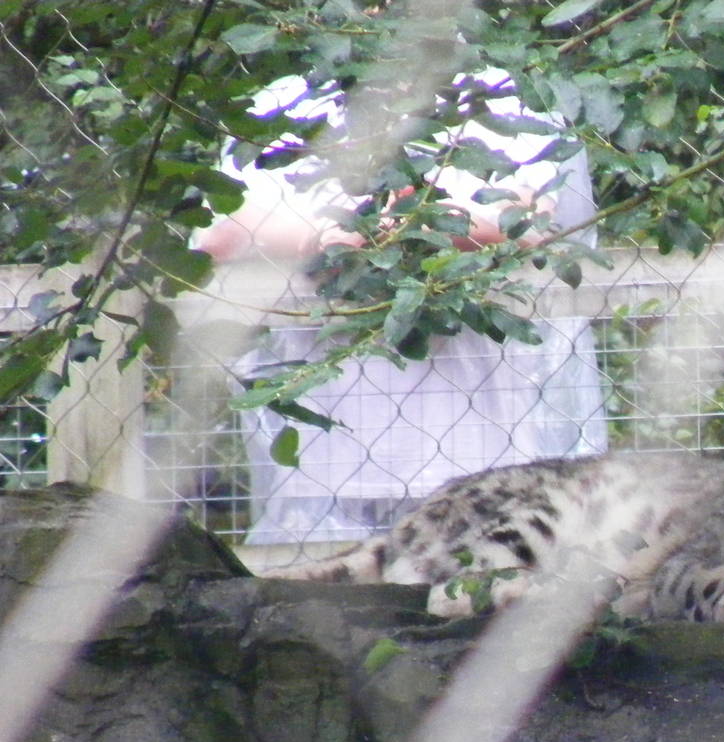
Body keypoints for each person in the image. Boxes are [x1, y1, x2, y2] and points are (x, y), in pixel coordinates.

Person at [197, 70, 608, 548]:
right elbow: (223, 233)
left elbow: (530, 221)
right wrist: (335, 236)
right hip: (328, 460)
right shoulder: (291, 101)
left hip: (486, 456)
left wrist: (404, 225)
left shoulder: (499, 95)